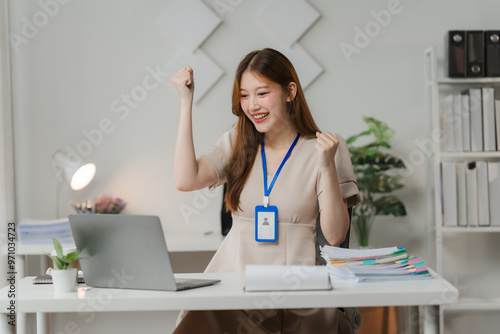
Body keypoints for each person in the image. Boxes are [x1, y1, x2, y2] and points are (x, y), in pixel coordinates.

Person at [171, 48, 360, 334]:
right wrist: (186, 104)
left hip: (300, 294)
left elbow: (335, 236)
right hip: (235, 290)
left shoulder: (326, 148)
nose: (252, 105)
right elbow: (186, 180)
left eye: (262, 93)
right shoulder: (237, 142)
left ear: (289, 91)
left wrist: (327, 167)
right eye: (244, 96)